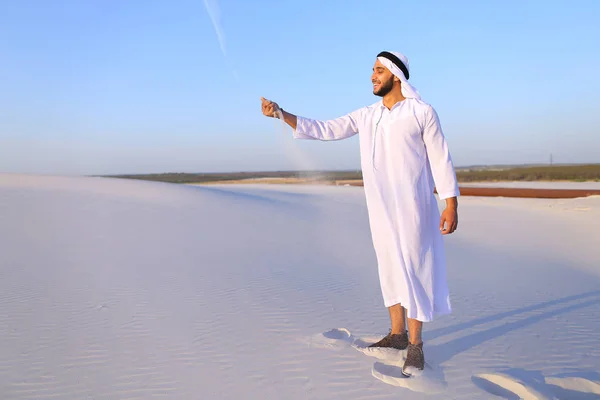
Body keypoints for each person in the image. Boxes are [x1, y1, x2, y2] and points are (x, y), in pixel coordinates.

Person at [260, 50, 459, 377]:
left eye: (378, 70)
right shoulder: (367, 115)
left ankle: (416, 345)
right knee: (390, 265)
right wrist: (281, 114)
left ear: (396, 74)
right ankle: (397, 335)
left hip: (415, 206)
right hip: (380, 206)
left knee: (415, 268)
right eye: (372, 70)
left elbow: (441, 158)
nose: (372, 75)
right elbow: (324, 129)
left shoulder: (421, 112)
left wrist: (450, 202)